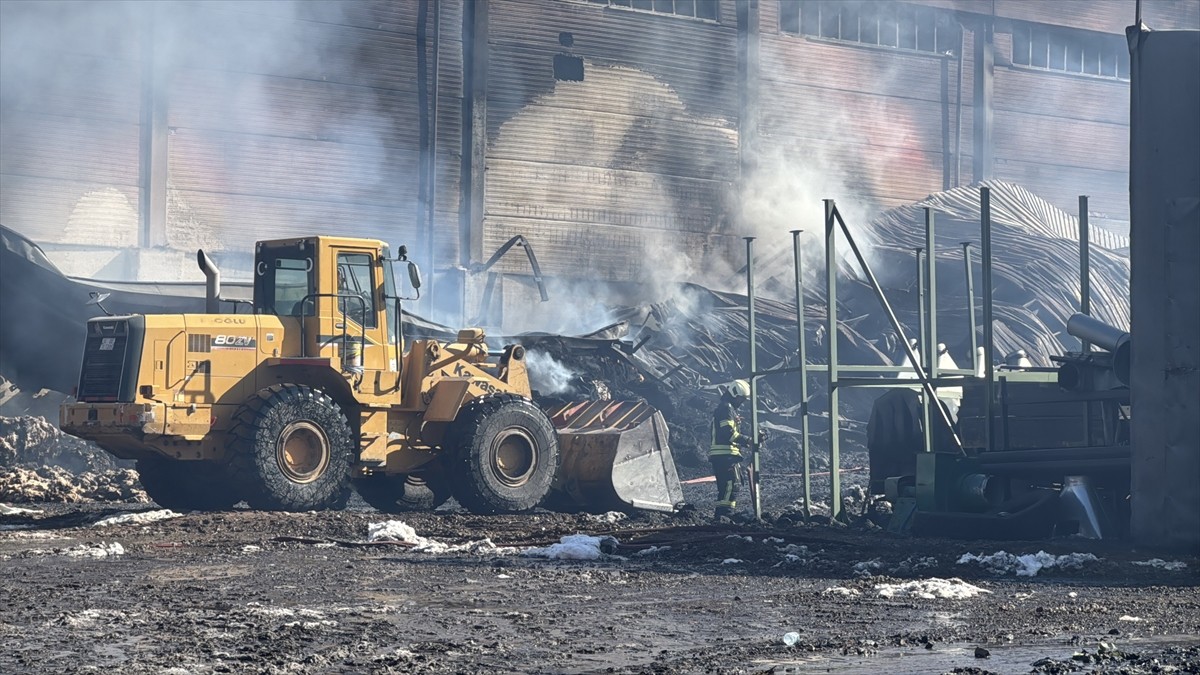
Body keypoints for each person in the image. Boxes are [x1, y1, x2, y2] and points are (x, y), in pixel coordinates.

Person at [709, 379, 764, 520]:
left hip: (725, 455)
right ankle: (724, 516)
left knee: (729, 486)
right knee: (730, 485)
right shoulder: (726, 408)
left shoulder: (727, 409)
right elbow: (727, 433)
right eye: (741, 399)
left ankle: (722, 517)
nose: (742, 402)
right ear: (734, 394)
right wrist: (748, 441)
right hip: (724, 455)